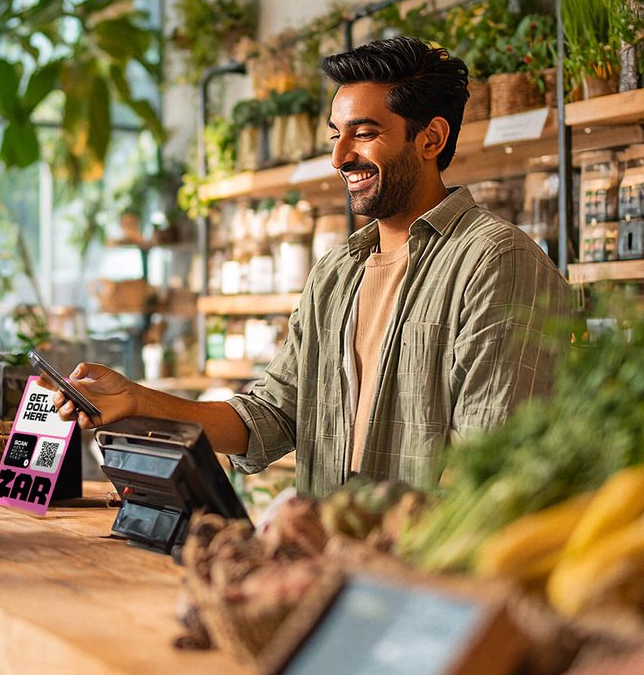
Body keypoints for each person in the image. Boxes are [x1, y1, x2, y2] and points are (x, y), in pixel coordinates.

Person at [48, 36, 571, 497]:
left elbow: (495, 467)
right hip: (328, 569)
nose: (340, 157)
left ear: (430, 139)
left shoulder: (494, 260)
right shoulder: (337, 272)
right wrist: (138, 399)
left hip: (425, 583)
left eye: (364, 133)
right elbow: (271, 416)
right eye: (335, 135)